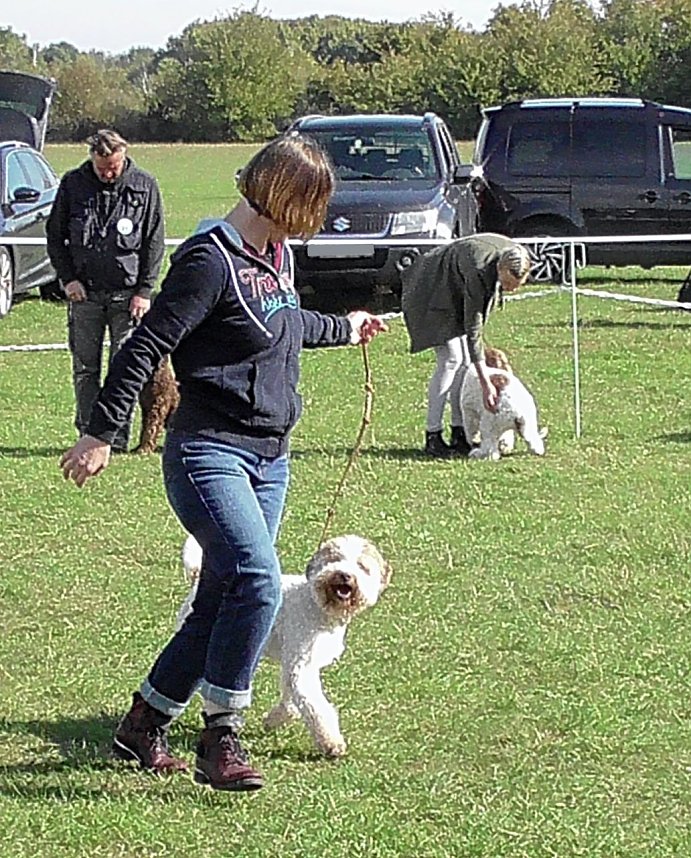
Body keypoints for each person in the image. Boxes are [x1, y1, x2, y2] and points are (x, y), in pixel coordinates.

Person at [59, 133, 387, 792]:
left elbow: (283, 326)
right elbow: (145, 345)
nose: (316, 220)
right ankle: (222, 737)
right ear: (279, 195)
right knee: (260, 582)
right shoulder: (210, 260)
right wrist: (100, 432)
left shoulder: (276, 257)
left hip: (270, 458)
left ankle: (142, 724)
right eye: (311, 205)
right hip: (208, 451)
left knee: (220, 595)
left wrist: (344, 326)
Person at [47, 129, 165, 452]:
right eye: (102, 168)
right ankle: (88, 432)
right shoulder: (73, 184)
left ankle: (114, 437)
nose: (108, 173)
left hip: (128, 297)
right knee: (85, 368)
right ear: (92, 158)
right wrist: (68, 279)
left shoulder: (145, 186)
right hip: (84, 295)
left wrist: (144, 290)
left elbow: (154, 242)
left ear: (123, 156)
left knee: (124, 369)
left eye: (113, 166)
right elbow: (55, 237)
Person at [401, 233, 531, 458]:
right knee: (451, 359)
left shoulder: (513, 254)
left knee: (463, 363)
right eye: (508, 284)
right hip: (428, 290)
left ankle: (459, 433)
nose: (511, 290)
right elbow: (473, 329)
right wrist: (486, 383)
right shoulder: (478, 270)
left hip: (453, 295)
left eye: (515, 286)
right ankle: (433, 436)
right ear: (500, 269)